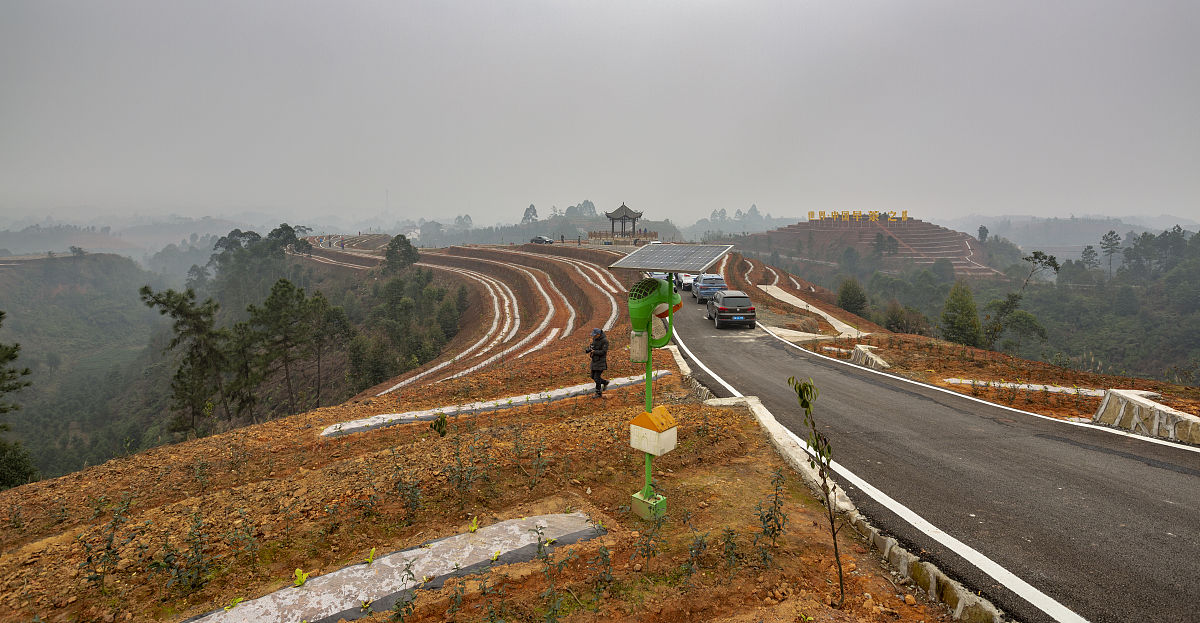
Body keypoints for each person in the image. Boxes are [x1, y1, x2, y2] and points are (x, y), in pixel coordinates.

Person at [585, 328, 609, 398]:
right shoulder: (595, 339)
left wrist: (594, 352)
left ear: (599, 334)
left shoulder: (605, 341)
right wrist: (589, 349)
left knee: (596, 378)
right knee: (592, 376)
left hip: (600, 361)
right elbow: (592, 346)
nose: (594, 336)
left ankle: (598, 393)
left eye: (595, 335)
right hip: (594, 360)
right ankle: (605, 382)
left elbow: (604, 352)